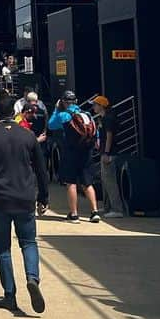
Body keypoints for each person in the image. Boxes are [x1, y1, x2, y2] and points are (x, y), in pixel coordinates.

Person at [0, 94, 49, 314]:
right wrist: (43, 196)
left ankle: (10, 294)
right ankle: (32, 278)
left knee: (3, 248)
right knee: (28, 242)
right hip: (25, 196)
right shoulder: (28, 136)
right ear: (14, 113)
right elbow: (41, 169)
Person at [48, 91, 100, 222]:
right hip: (86, 152)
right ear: (76, 101)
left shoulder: (64, 115)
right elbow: (95, 132)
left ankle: (74, 214)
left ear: (63, 102)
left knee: (71, 183)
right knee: (87, 183)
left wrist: (56, 109)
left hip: (70, 152)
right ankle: (94, 212)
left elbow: (51, 125)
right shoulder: (87, 114)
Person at [95, 97, 124, 217]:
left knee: (110, 181)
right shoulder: (102, 118)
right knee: (105, 180)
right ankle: (107, 206)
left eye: (96, 105)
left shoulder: (108, 119)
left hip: (109, 153)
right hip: (104, 151)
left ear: (102, 106)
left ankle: (117, 209)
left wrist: (106, 153)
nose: (94, 107)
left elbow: (109, 136)